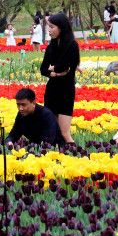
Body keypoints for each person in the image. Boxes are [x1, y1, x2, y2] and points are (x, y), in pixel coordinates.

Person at [40, 13, 80, 145]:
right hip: (51, 91)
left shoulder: (72, 45)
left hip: (66, 91)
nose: (49, 30)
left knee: (64, 133)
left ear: (61, 27)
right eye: (49, 27)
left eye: (52, 27)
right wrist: (54, 72)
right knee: (53, 132)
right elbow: (43, 69)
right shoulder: (51, 47)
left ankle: (77, 153)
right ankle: (59, 155)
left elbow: (69, 69)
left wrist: (54, 68)